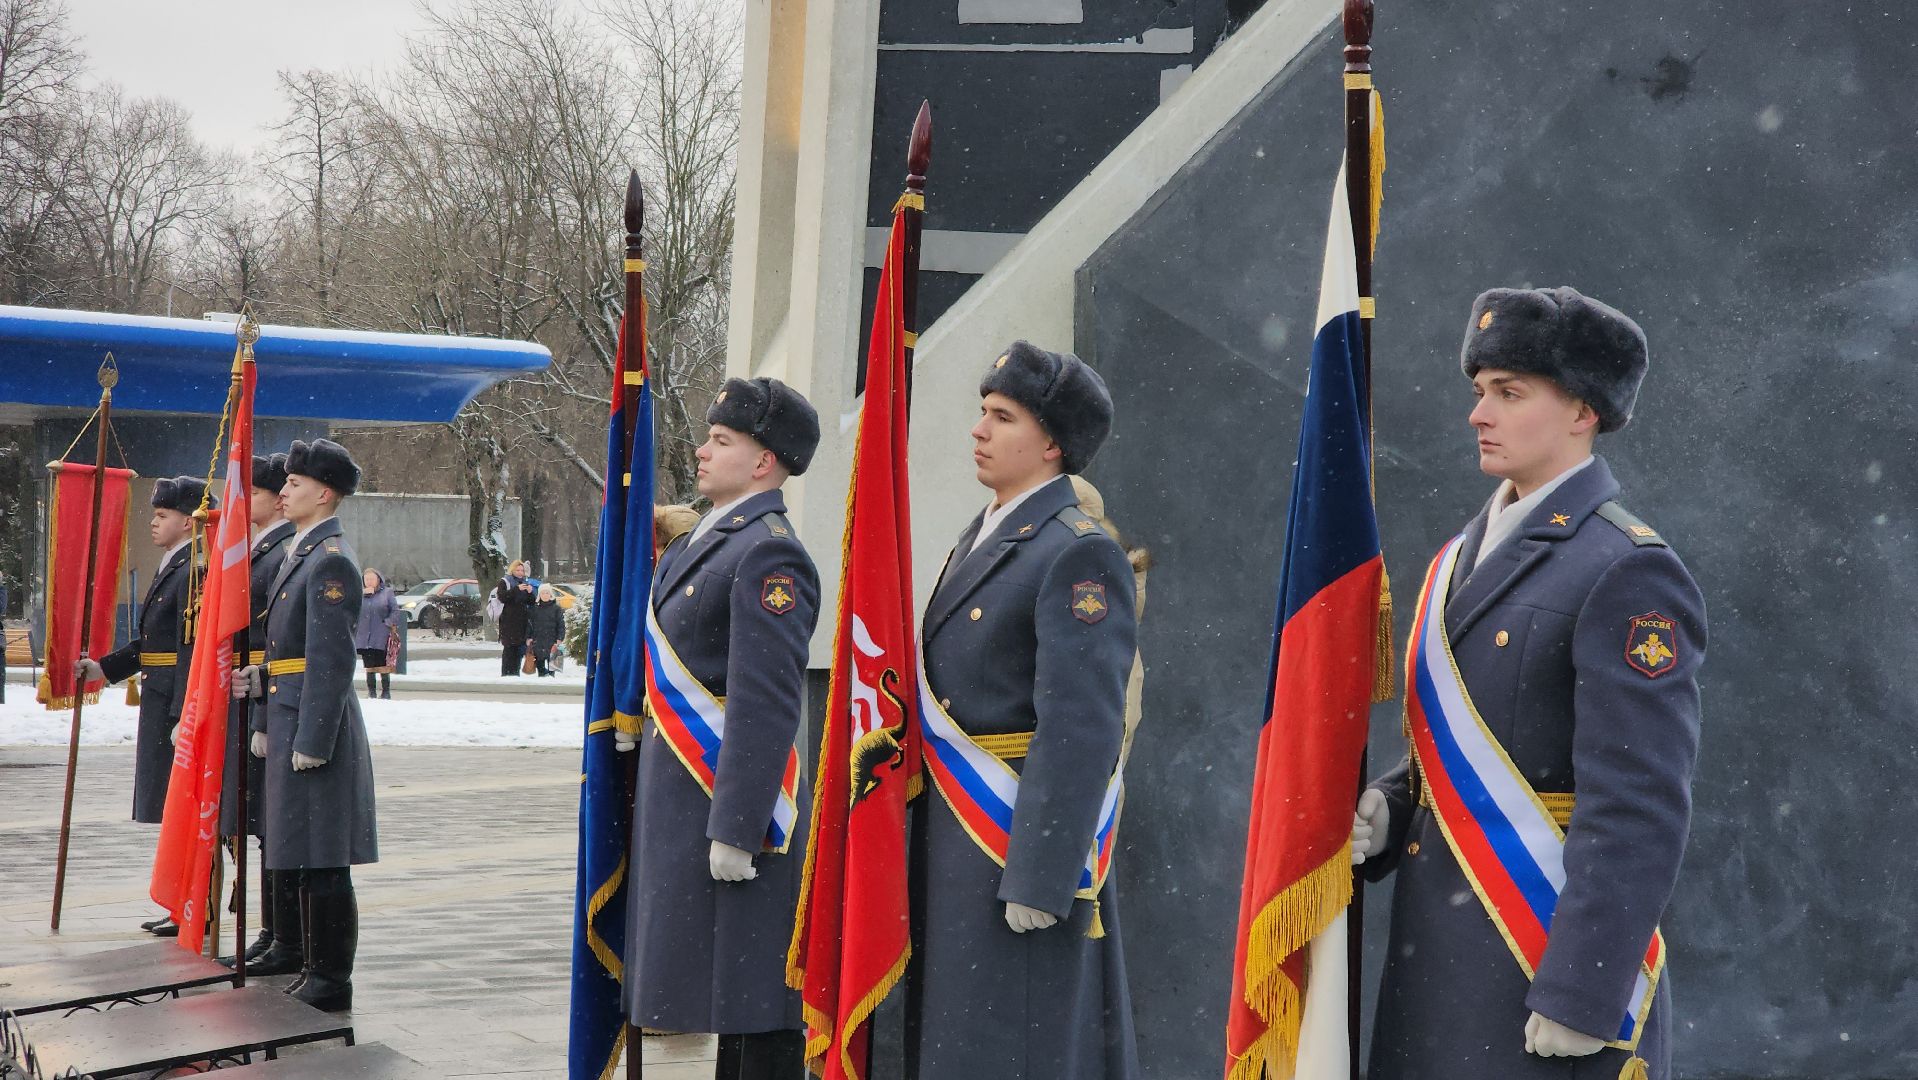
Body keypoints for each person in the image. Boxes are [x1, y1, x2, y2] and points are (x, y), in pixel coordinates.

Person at [1351, 287, 1707, 1080]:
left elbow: (1639, 803)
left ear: (1583, 410)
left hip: (1535, 965)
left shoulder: (1628, 570)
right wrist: (1395, 798)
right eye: (1480, 392)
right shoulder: (1462, 555)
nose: (1480, 413)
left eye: (1510, 394)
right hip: (1434, 960)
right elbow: (1477, 741)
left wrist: (1583, 992)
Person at [914, 341, 1140, 1079]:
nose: (979, 428)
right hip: (952, 840)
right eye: (982, 410)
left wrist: (1041, 876)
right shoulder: (981, 534)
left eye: (1002, 415)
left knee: (1012, 1049)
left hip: (1006, 845)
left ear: (1051, 444)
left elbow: (1081, 725)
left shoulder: (1075, 552)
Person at [618, 376, 821, 1080]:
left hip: (729, 813)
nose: (702, 451)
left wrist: (738, 827)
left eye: (722, 441)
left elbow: (765, 701)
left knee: (756, 1007)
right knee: (724, 1000)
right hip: (683, 805)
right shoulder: (699, 542)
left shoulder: (768, 553)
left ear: (764, 461)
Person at [233, 438, 379, 1012]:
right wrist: (261, 685)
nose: (283, 490)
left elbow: (332, 659)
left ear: (324, 493)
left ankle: (331, 977)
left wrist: (313, 739)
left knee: (324, 858)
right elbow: (290, 649)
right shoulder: (303, 552)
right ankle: (313, 964)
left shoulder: (331, 558)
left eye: (294, 484)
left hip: (319, 728)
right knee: (303, 851)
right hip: (292, 714)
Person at [76, 474, 212, 937]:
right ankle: (182, 902)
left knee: (188, 807)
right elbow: (152, 641)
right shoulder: (175, 564)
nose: (153, 524)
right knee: (174, 808)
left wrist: (181, 714)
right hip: (158, 696)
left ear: (189, 519)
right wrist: (105, 668)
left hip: (172, 701)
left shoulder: (195, 567)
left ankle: (196, 904)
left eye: (162, 515)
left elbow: (190, 648)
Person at [220, 453, 296, 969]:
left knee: (273, 826)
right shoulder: (261, 550)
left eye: (257, 491)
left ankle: (281, 934)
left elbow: (277, 638)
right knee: (261, 823)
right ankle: (274, 931)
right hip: (250, 690)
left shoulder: (280, 551)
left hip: (263, 693)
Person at [354, 568, 401, 698]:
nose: (369, 582)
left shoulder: (387, 593)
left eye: (372, 579)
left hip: (381, 635)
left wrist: (387, 623)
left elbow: (395, 611)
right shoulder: (359, 594)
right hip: (364, 636)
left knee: (383, 664)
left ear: (378, 580)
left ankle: (386, 691)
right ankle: (371, 692)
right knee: (369, 666)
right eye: (366, 579)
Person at [494, 559, 534, 676]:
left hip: (522, 622)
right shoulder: (505, 581)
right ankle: (506, 673)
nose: (520, 572)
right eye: (518, 570)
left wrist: (531, 592)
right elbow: (502, 597)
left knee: (519, 650)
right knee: (509, 649)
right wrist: (516, 589)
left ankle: (515, 673)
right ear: (512, 570)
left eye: (522, 570)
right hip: (509, 621)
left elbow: (530, 602)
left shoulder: (525, 582)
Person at [526, 583, 564, 677]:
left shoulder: (556, 609)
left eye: (547, 593)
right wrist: (528, 637)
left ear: (551, 595)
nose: (545, 595)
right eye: (543, 593)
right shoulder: (534, 609)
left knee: (552, 668)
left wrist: (560, 638)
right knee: (540, 667)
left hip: (552, 640)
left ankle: (551, 682)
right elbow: (529, 624)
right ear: (539, 595)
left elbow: (561, 625)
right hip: (538, 641)